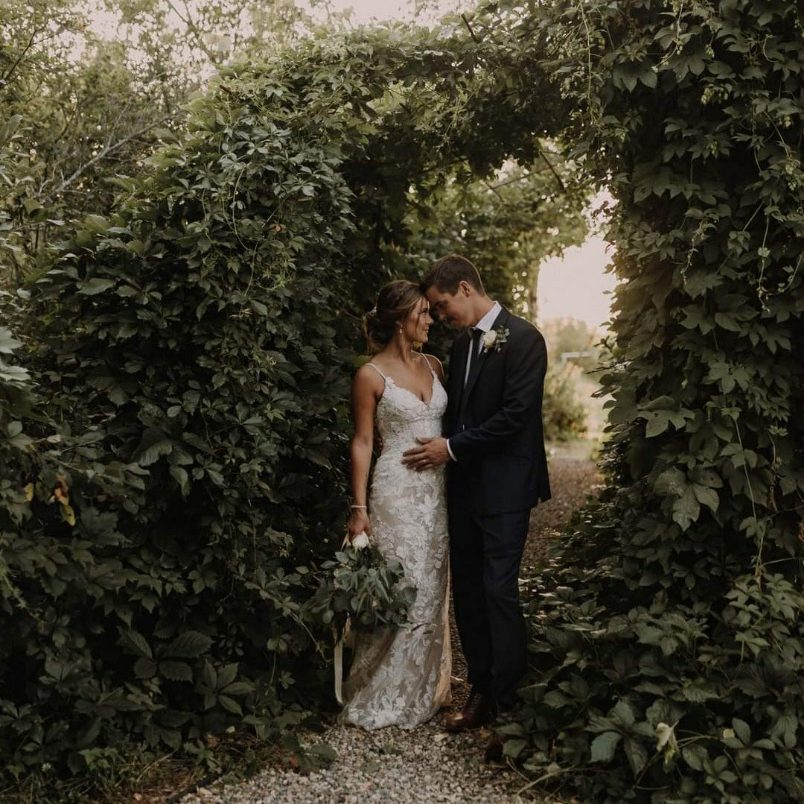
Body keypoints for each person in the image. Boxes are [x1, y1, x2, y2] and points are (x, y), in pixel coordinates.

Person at [402, 254, 550, 749]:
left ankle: (510, 707)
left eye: (443, 306)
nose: (442, 317)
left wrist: (451, 449)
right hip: (463, 488)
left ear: (465, 289)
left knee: (499, 591)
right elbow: (455, 415)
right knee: (467, 590)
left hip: (507, 488)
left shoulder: (526, 339)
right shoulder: (462, 344)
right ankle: (481, 692)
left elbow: (515, 416)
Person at [341, 279, 452, 729]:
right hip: (394, 493)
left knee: (431, 590)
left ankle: (422, 688)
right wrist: (359, 507)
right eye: (423, 313)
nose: (430, 320)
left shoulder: (436, 366)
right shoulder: (370, 375)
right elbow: (364, 442)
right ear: (401, 320)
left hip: (437, 494)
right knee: (398, 588)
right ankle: (378, 690)